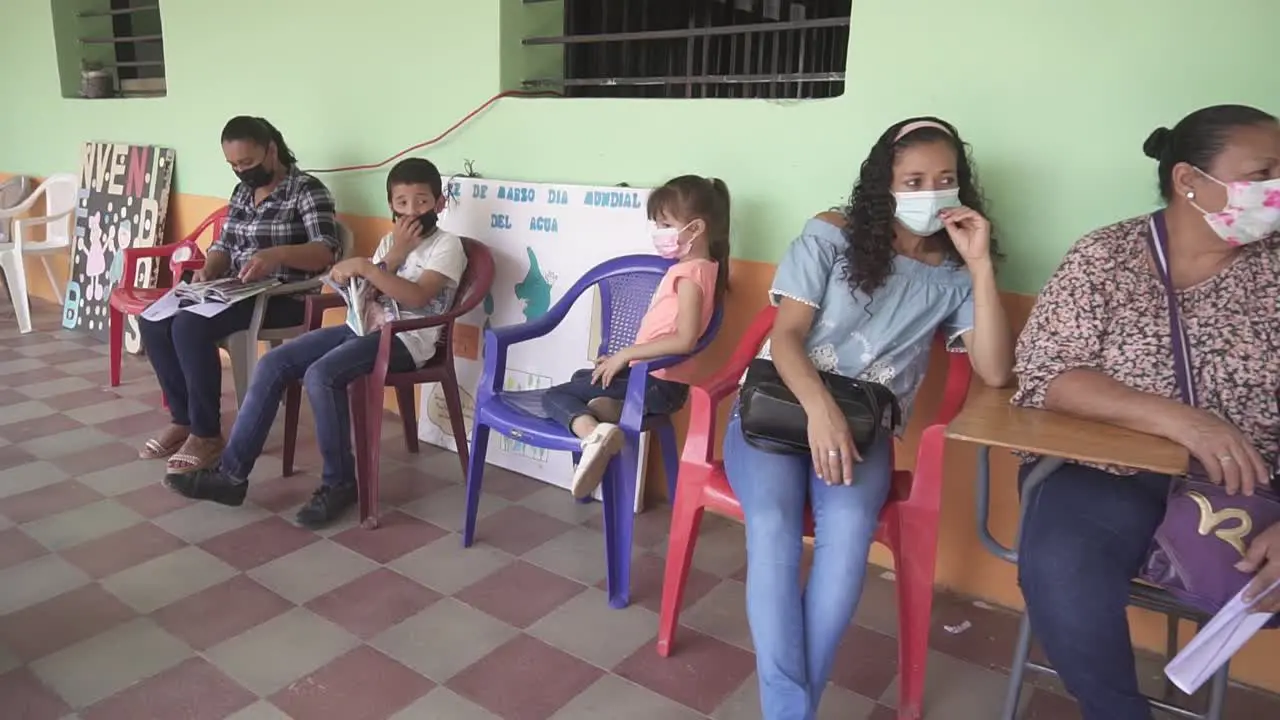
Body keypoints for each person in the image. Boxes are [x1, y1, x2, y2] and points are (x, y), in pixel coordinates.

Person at [725, 117, 1013, 719]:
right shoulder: (832, 234)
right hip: (780, 405)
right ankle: (790, 711)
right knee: (774, 526)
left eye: (945, 179)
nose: (931, 191)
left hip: (862, 428)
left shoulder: (955, 272)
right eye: (913, 179)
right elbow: (786, 337)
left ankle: (788, 710)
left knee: (848, 540)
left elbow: (994, 371)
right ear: (884, 185)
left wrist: (981, 265)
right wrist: (819, 411)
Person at [1013, 104, 1280, 720]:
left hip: (1247, 492)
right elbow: (1049, 372)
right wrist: (1185, 421)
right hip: (1104, 470)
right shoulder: (1105, 256)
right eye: (1262, 171)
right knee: (1062, 561)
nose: (1276, 188)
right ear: (1189, 180)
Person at [165, 158, 467, 528]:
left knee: (321, 375)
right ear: (390, 204)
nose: (411, 211)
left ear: (438, 204)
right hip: (364, 327)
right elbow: (368, 290)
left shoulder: (447, 246)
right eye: (401, 203)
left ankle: (339, 482)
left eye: (421, 202)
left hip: (406, 340)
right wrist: (380, 263)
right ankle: (231, 476)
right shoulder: (392, 242)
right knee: (274, 363)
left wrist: (370, 268)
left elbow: (419, 297)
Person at [138, 116, 341, 474]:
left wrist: (276, 255)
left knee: (188, 326)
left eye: (247, 163)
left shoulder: (307, 190)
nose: (241, 172)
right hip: (235, 291)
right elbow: (223, 245)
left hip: (283, 298)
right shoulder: (242, 193)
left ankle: (207, 435)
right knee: (154, 319)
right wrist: (210, 267)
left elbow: (326, 251)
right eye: (233, 165)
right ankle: (183, 419)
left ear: (271, 150)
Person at [541, 174, 730, 499]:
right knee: (583, 378)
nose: (659, 233)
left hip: (657, 383)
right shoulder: (705, 268)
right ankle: (610, 411)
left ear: (696, 228)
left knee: (554, 396)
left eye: (665, 224)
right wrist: (628, 358)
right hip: (653, 379)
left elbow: (684, 340)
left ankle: (593, 436)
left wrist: (626, 355)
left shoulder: (689, 274)